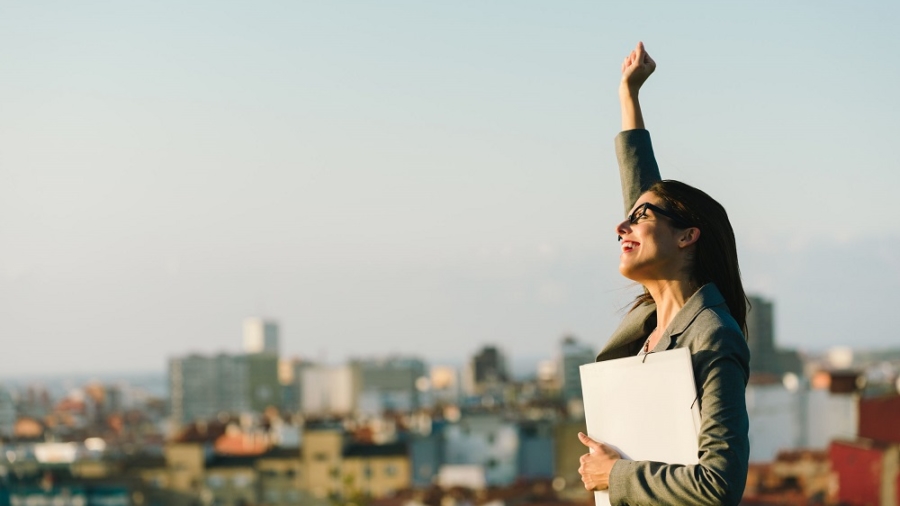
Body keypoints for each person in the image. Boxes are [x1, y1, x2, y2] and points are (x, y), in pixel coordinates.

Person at [576, 42, 751, 505]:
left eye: (639, 218)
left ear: (687, 237)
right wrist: (628, 97)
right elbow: (644, 191)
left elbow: (719, 487)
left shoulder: (714, 336)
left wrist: (614, 475)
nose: (622, 226)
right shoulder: (656, 320)